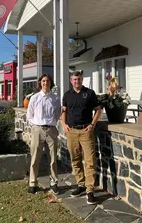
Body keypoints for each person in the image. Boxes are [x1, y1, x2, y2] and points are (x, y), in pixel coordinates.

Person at [61, 71, 101, 204]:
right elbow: (64, 111)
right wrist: (64, 124)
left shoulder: (89, 93)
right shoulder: (67, 95)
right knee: (75, 159)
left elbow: (98, 110)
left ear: (82, 80)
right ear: (71, 81)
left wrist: (92, 125)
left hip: (86, 130)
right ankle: (80, 185)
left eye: (78, 79)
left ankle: (90, 190)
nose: (76, 81)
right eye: (74, 79)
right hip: (71, 131)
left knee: (90, 161)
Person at [26, 73, 61, 195]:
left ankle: (54, 182)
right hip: (38, 130)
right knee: (35, 157)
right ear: (40, 83)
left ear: (51, 83)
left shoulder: (55, 99)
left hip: (51, 130)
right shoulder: (34, 98)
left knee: (53, 158)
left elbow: (57, 114)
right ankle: (32, 182)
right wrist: (35, 126)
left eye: (47, 81)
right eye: (43, 81)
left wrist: (52, 124)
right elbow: (29, 115)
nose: (45, 83)